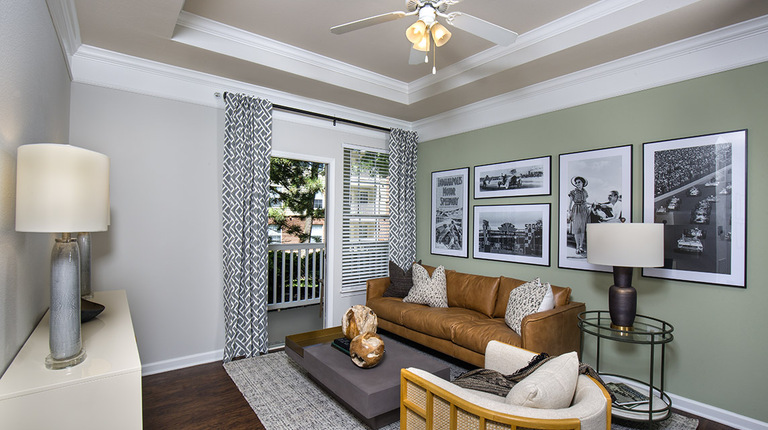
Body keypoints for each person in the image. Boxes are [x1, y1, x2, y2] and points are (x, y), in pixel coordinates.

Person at [567, 176, 589, 255]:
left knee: (582, 229)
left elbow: (585, 202)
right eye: (576, 183)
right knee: (577, 229)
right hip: (576, 210)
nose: (577, 184)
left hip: (584, 210)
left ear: (583, 183)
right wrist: (569, 211)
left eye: (579, 182)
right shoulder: (573, 192)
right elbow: (570, 203)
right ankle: (577, 247)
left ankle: (581, 246)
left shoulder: (585, 192)